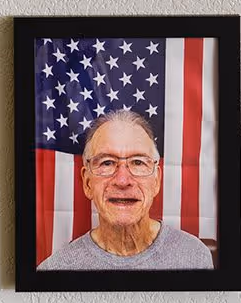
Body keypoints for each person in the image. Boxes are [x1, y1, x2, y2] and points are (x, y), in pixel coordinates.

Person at [39, 109, 213, 271]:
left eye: (138, 162)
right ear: (87, 183)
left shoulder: (195, 257)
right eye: (107, 162)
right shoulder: (56, 269)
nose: (122, 181)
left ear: (156, 181)